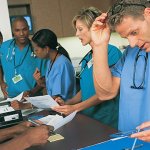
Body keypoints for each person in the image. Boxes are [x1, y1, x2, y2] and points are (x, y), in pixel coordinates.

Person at [52, 7, 122, 129]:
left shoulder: (111, 52)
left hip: (107, 120)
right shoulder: (88, 57)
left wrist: (75, 108)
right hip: (89, 118)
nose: (77, 34)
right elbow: (86, 89)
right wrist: (68, 103)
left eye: (80, 29)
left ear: (94, 28)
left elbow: (107, 91)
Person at [90, 0, 150, 135]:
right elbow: (106, 93)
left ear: (148, 14)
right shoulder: (130, 52)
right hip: (129, 142)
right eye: (126, 37)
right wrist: (99, 45)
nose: (132, 43)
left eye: (134, 32)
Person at [11, 29, 76, 110]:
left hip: (65, 110)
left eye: (36, 50)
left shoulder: (62, 64)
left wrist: (25, 106)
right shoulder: (51, 61)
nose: (35, 53)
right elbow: (54, 86)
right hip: (56, 110)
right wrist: (39, 84)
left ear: (46, 48)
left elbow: (55, 99)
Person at [0, 17, 46, 98]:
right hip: (11, 97)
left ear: (29, 29)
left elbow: (46, 78)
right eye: (17, 30)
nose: (21, 33)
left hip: (33, 98)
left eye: (24, 29)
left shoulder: (38, 49)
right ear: (13, 31)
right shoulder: (4, 47)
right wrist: (1, 82)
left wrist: (31, 92)